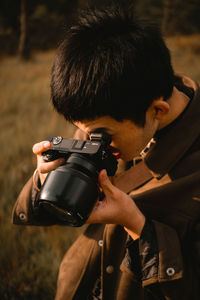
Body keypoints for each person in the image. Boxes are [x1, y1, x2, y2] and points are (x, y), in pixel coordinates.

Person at [12, 6, 200, 300]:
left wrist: (137, 226)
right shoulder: (108, 113)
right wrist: (46, 179)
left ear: (157, 110)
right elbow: (58, 210)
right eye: (84, 132)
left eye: (102, 135)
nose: (93, 142)